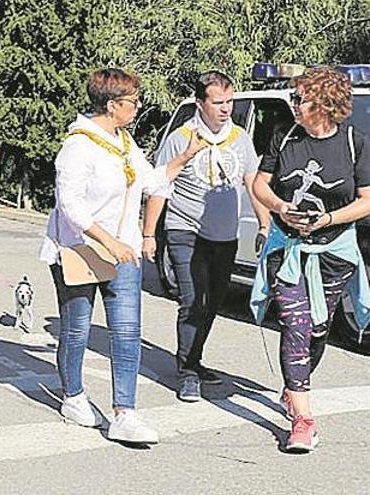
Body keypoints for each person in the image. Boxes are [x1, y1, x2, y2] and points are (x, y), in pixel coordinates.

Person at [39, 68, 188, 445]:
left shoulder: (124, 142)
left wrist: (186, 156)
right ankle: (73, 396)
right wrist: (108, 241)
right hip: (80, 250)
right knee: (77, 329)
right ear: (111, 105)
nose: (138, 106)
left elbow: (151, 182)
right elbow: (70, 206)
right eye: (132, 101)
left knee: (127, 331)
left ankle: (126, 412)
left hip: (122, 251)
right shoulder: (78, 146)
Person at [250, 66, 370, 453]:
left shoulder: (355, 142)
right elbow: (258, 184)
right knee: (297, 324)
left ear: (323, 103)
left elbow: (366, 201)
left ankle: (293, 385)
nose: (293, 104)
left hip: (334, 252)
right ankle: (303, 420)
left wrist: (328, 219)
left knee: (318, 328)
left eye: (299, 98)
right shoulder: (284, 136)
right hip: (287, 249)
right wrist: (282, 209)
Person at [142, 70, 270, 402]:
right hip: (185, 229)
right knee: (192, 300)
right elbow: (160, 185)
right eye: (218, 102)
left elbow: (253, 183)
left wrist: (264, 224)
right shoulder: (180, 138)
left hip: (224, 234)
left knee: (213, 301)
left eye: (229, 101)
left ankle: (194, 359)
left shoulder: (240, 138)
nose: (225, 108)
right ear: (201, 103)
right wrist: (148, 235)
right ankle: (185, 373)